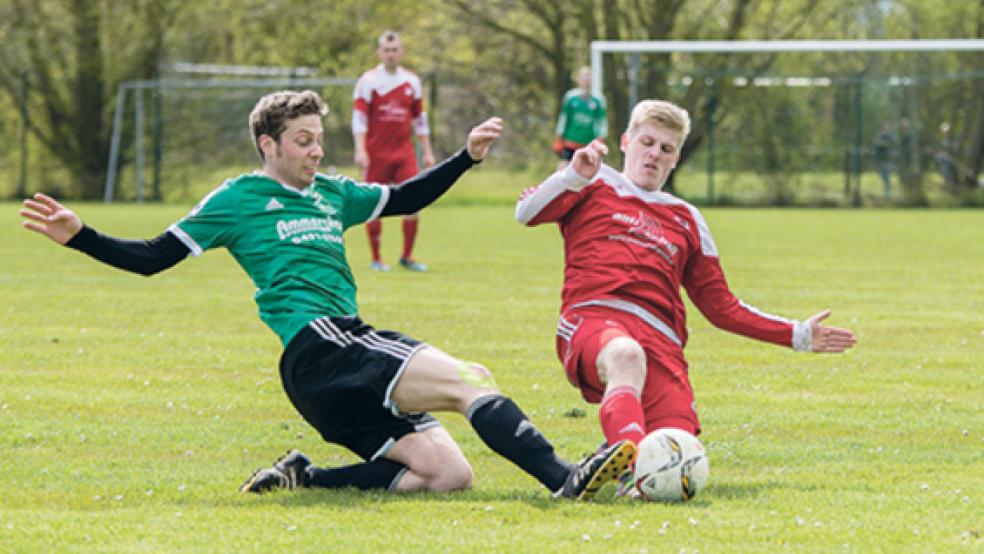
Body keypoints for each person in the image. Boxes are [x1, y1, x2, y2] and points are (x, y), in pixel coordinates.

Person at [19, 90, 633, 500]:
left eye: (319, 138)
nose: (317, 150)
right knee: (469, 382)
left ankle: (304, 477)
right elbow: (154, 258)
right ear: (269, 144)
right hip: (322, 346)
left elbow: (407, 197)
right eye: (304, 140)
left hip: (332, 368)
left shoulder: (332, 194)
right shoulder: (236, 199)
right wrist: (82, 238)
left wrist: (465, 158)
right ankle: (564, 479)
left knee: (447, 475)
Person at [516, 99, 857, 494]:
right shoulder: (593, 180)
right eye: (647, 142)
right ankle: (628, 466)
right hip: (596, 320)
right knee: (626, 356)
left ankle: (622, 453)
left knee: (678, 450)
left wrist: (795, 334)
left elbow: (721, 306)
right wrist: (572, 174)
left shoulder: (687, 218)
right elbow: (527, 212)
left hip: (662, 341)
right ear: (626, 141)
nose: (654, 154)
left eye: (666, 149)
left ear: (676, 158)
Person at [353, 30, 435, 272]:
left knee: (414, 201)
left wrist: (427, 151)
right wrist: (360, 150)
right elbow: (359, 118)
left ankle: (407, 256)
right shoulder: (368, 81)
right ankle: (376, 258)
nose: (390, 54)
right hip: (376, 153)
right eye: (386, 50)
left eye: (394, 50)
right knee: (373, 204)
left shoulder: (411, 81)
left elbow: (420, 120)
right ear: (380, 53)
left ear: (402, 52)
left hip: (403, 154)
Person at [553, 66, 607, 170]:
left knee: (591, 170)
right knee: (563, 168)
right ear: (578, 79)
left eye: (589, 77)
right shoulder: (571, 97)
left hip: (589, 143)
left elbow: (602, 122)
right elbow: (564, 119)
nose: (586, 80)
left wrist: (601, 138)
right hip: (571, 141)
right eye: (584, 77)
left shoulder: (598, 99)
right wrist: (559, 137)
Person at [872, 122, 893, 199]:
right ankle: (886, 191)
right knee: (882, 175)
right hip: (878, 159)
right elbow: (875, 143)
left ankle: (888, 193)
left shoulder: (888, 136)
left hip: (886, 159)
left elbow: (889, 144)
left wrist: (880, 142)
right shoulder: (879, 135)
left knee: (886, 175)